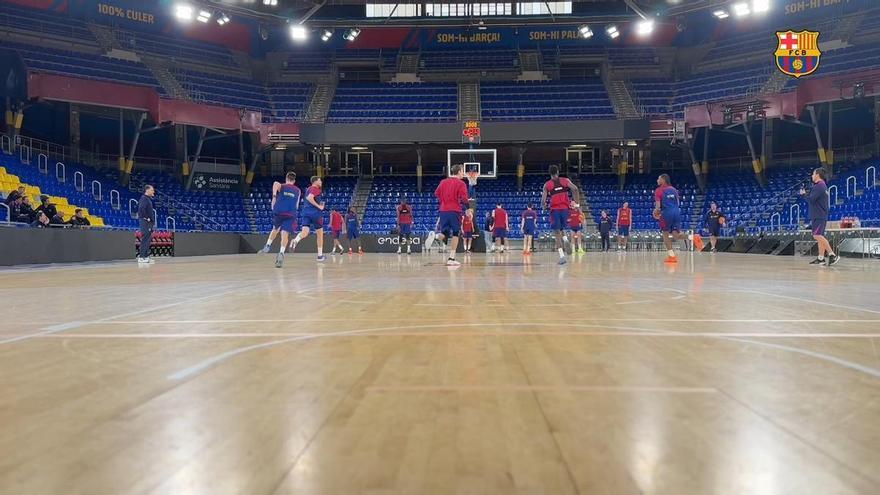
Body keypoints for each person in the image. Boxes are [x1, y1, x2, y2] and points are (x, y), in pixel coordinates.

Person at [541, 165, 580, 265]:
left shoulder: (547, 185)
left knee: (556, 232)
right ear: (558, 172)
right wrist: (577, 204)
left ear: (549, 173)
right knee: (561, 228)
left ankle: (562, 256)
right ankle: (566, 239)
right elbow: (575, 189)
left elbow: (543, 201)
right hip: (565, 210)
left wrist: (544, 206)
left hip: (555, 210)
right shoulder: (565, 180)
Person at [800, 167, 838, 266]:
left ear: (817, 175)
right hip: (820, 214)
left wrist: (804, 195)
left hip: (819, 215)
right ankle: (821, 258)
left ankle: (832, 254)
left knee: (816, 235)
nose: (812, 176)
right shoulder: (822, 186)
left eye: (813, 174)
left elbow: (811, 200)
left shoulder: (819, 186)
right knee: (819, 236)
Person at [262, 172, 301, 268]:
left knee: (275, 229)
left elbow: (275, 183)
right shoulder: (298, 190)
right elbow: (297, 205)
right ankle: (281, 253)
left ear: (286, 178)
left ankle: (268, 245)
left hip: (280, 212)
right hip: (291, 214)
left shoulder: (282, 186)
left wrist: (274, 197)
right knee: (285, 234)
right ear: (294, 181)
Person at [434, 164, 469, 266]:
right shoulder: (461, 183)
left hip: (443, 211)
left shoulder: (443, 182)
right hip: (454, 210)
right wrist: (468, 209)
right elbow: (464, 198)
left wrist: (444, 201)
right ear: (459, 172)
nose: (463, 173)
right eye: (462, 171)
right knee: (455, 234)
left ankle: (435, 236)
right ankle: (451, 259)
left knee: (444, 234)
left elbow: (436, 193)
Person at [289, 176, 326, 262]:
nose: (321, 182)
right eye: (320, 180)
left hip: (305, 212)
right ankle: (320, 256)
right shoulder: (315, 188)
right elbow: (309, 197)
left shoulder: (308, 189)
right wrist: (319, 206)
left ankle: (296, 240)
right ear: (315, 181)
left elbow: (308, 197)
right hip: (315, 213)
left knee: (305, 232)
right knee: (320, 234)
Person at [653, 174, 686, 264]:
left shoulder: (658, 190)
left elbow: (658, 206)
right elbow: (678, 202)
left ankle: (672, 256)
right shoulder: (674, 189)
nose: (657, 180)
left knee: (665, 234)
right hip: (676, 212)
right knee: (676, 235)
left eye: (658, 178)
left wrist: (655, 213)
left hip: (667, 213)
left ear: (663, 180)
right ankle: (693, 237)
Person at [137, 185, 156, 264]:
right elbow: (141, 209)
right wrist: (146, 218)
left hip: (148, 222)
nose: (153, 191)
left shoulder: (148, 199)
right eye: (152, 190)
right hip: (145, 222)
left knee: (148, 239)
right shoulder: (144, 198)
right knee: (145, 239)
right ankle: (141, 257)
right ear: (147, 190)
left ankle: (146, 256)